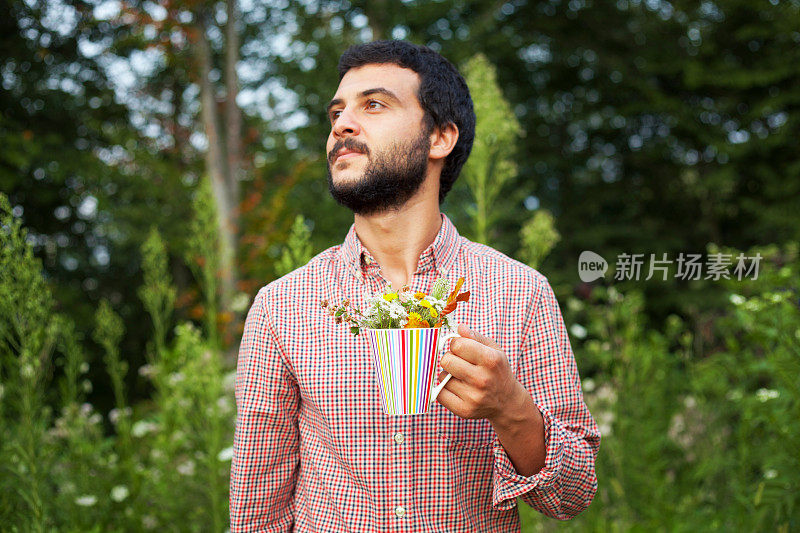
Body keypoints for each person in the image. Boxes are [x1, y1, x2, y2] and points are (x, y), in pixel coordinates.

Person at [230, 39, 600, 532]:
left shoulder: (519, 292)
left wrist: (511, 410)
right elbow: (257, 509)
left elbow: (572, 496)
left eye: (374, 105)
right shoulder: (283, 305)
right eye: (337, 112)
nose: (341, 124)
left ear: (440, 138)